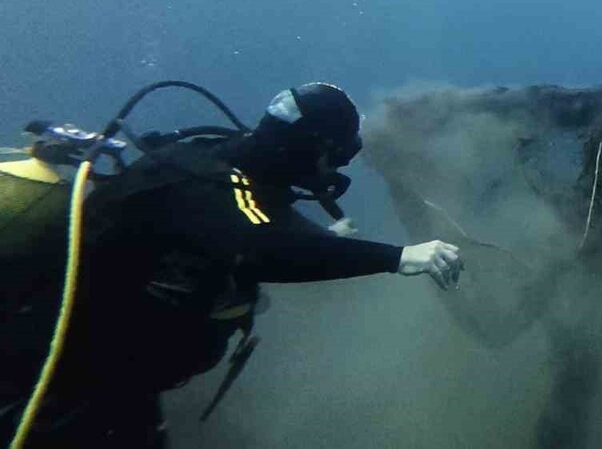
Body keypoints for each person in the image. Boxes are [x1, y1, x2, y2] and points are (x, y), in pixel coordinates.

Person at [1, 83, 465, 448]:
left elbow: (263, 220)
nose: (333, 173)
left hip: (110, 376)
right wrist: (398, 257)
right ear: (310, 147)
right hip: (58, 373)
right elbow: (258, 245)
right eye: (336, 156)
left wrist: (322, 241)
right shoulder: (209, 184)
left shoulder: (220, 159)